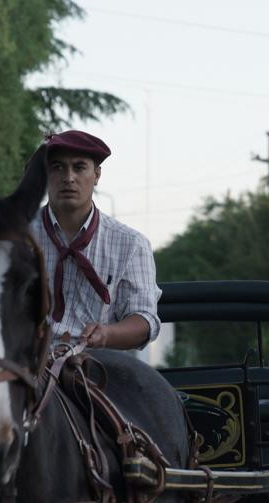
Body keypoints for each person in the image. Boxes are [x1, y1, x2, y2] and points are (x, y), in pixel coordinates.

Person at [28, 130, 161, 350]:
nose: (68, 177)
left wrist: (108, 334)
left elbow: (145, 318)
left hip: (98, 367)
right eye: (57, 167)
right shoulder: (19, 237)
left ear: (97, 175)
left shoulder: (131, 244)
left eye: (79, 167)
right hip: (26, 366)